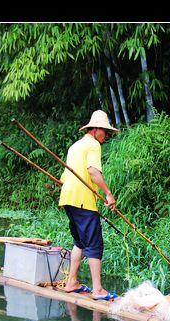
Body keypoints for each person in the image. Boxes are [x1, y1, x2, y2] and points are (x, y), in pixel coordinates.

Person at [59, 110, 119, 301]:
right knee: (94, 242)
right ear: (95, 130)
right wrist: (108, 194)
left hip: (68, 198)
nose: (106, 136)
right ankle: (98, 290)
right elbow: (93, 171)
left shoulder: (75, 146)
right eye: (105, 132)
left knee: (80, 241)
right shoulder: (93, 145)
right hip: (83, 200)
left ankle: (71, 282)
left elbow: (64, 177)